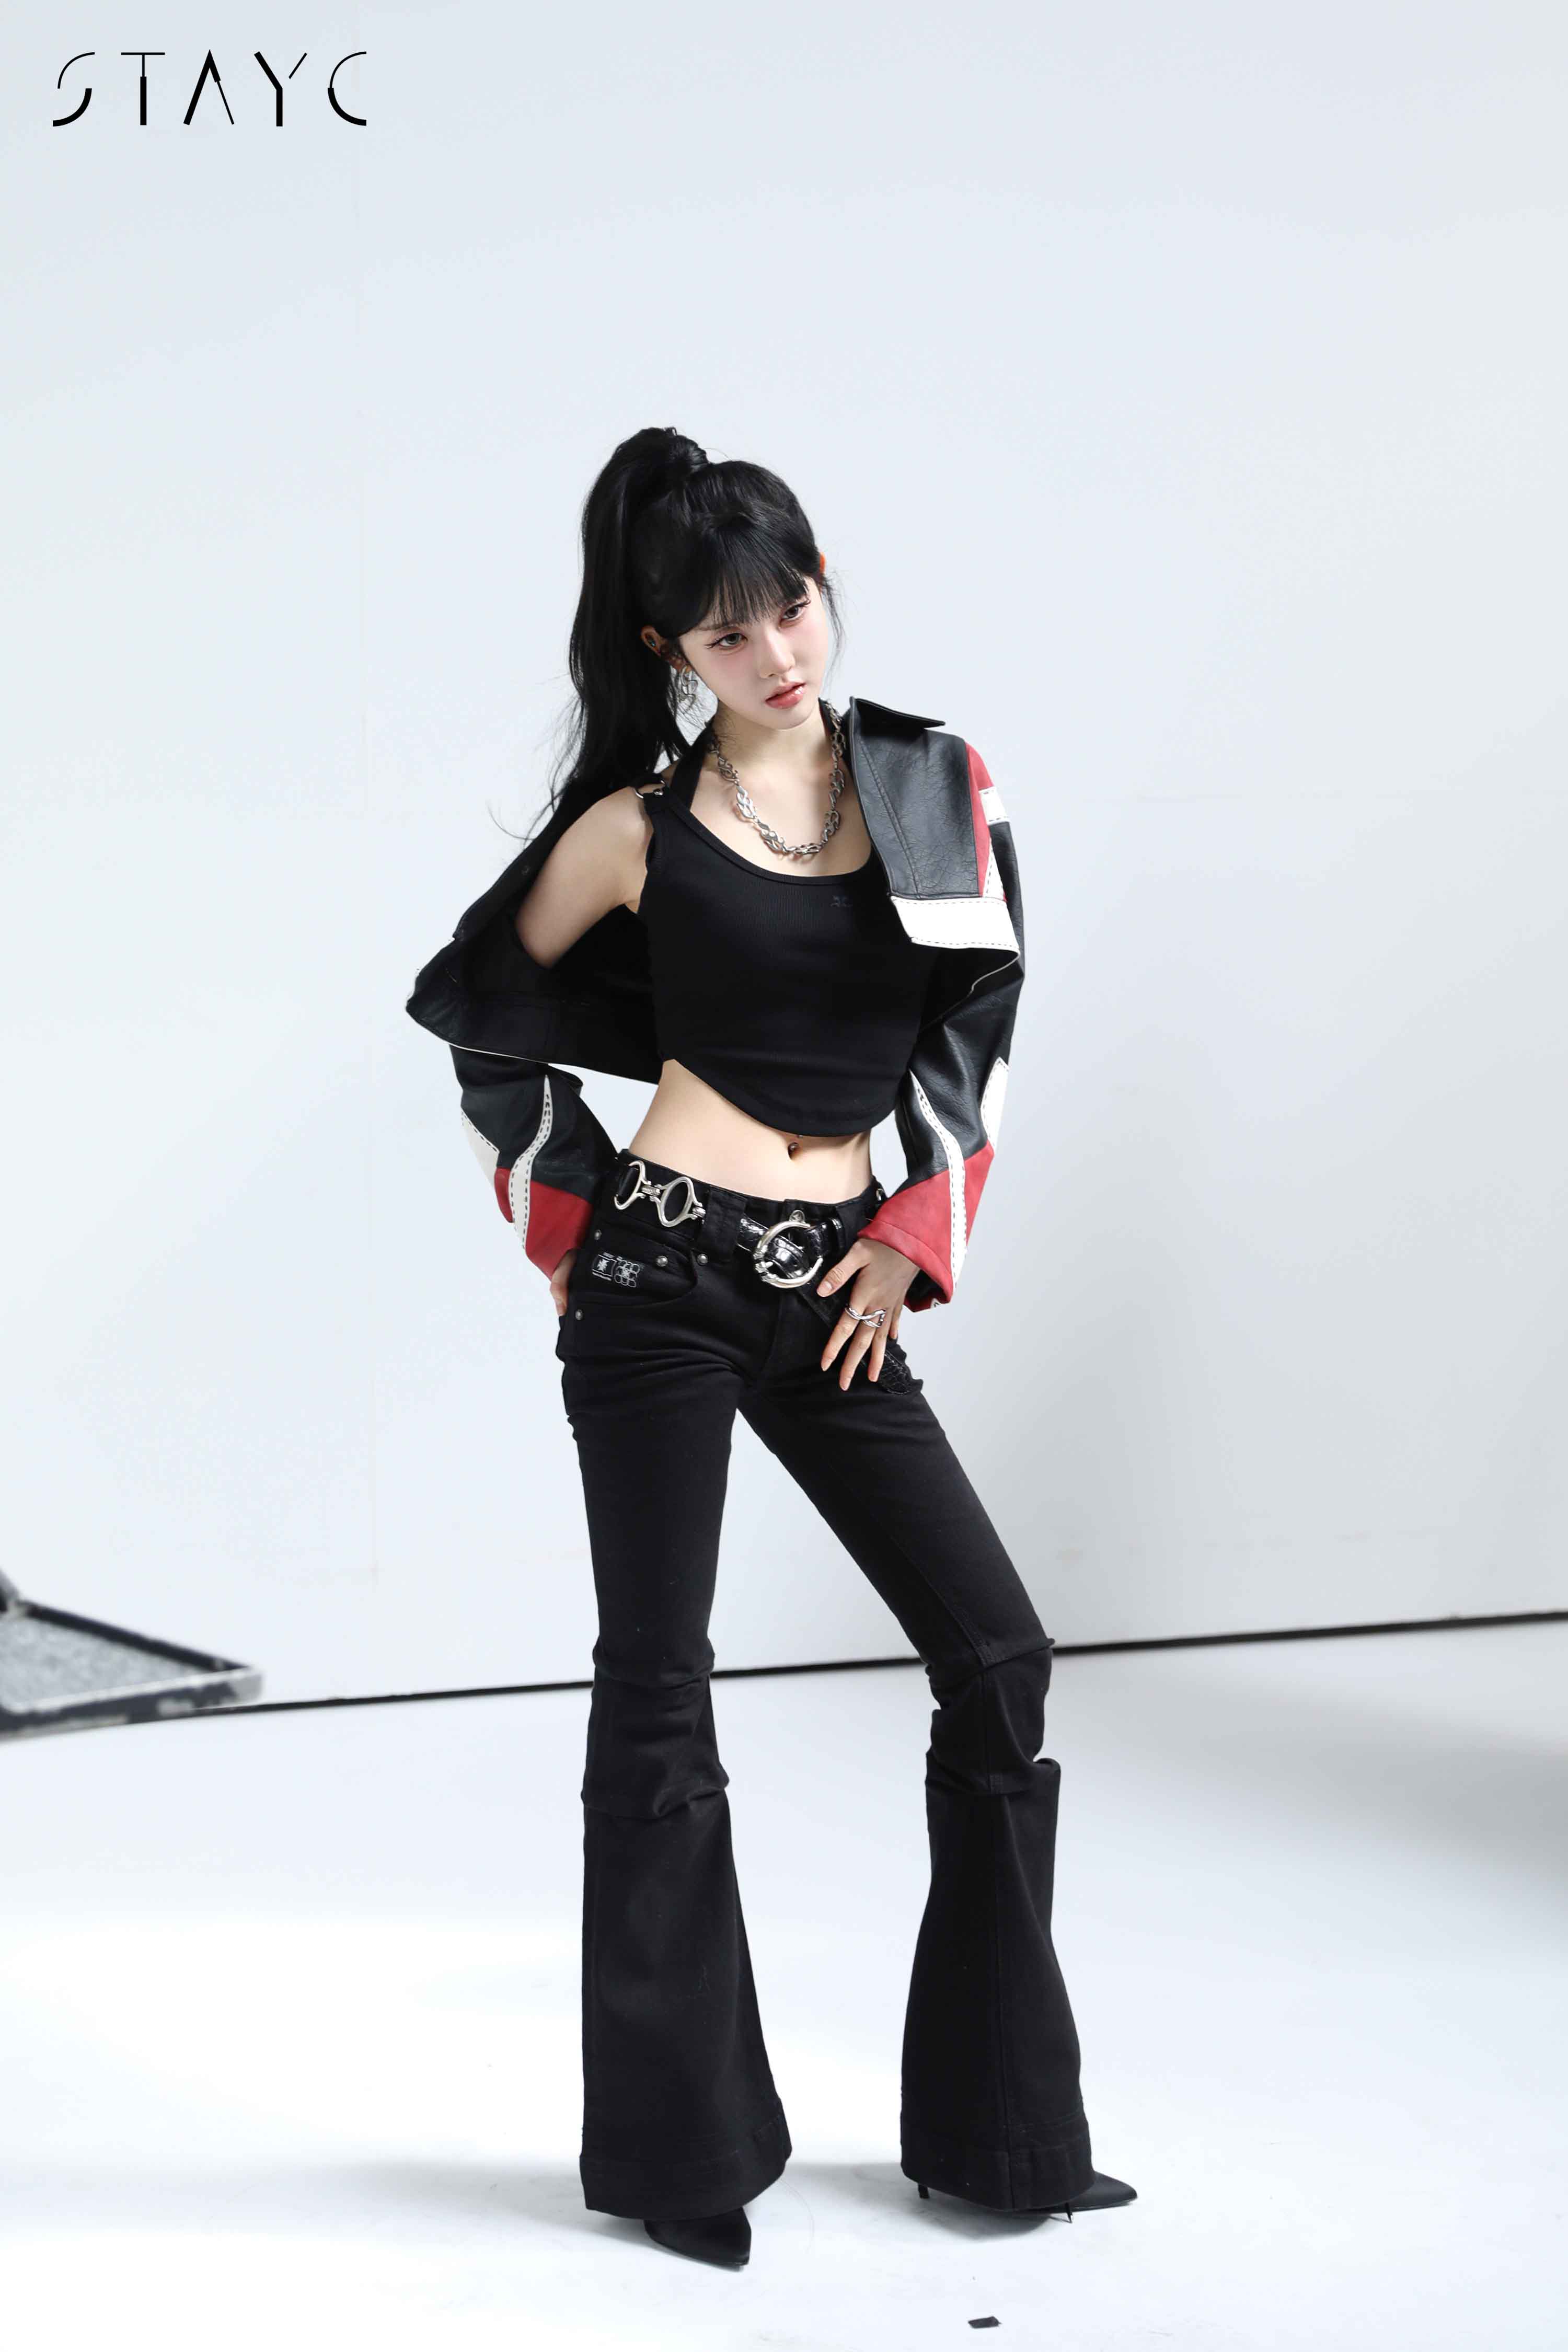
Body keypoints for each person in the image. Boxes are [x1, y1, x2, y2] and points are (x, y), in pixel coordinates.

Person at [405, 426, 1135, 2269]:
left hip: (836, 1288)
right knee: (659, 1688)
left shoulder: (934, 786)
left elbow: (980, 1014)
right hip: (659, 1281)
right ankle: (684, 2150)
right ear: (672, 650)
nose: (777, 653)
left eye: (791, 607)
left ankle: (997, 2129)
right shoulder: (633, 832)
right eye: (728, 634)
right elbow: (479, 1012)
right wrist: (566, 1215)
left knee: (998, 1655)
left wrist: (912, 1226)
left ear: (823, 589)